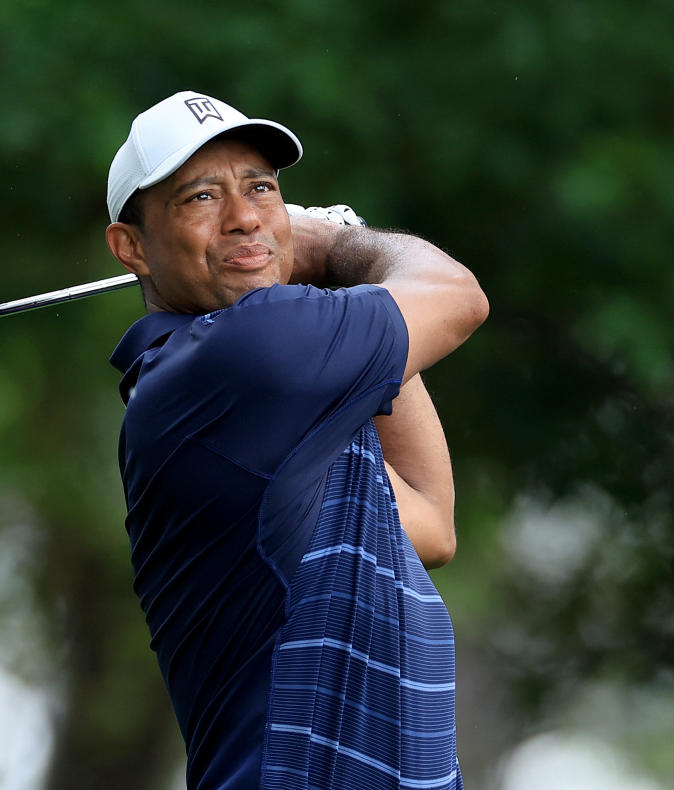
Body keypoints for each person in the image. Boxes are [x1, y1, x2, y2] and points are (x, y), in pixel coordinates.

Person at [104, 91, 488, 790]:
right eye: (200, 198)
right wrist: (338, 247)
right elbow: (457, 295)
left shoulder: (268, 398)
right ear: (132, 247)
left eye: (262, 189)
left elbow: (431, 524)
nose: (245, 217)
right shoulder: (237, 358)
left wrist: (353, 320)